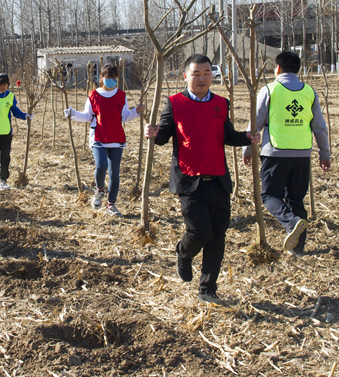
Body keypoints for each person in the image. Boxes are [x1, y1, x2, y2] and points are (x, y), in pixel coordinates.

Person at [145, 54, 260, 305]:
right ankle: (183, 252)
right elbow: (164, 135)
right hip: (189, 180)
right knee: (200, 232)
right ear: (185, 76)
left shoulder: (221, 103)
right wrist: (153, 133)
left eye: (207, 73)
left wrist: (247, 137)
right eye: (196, 74)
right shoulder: (174, 103)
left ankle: (208, 288)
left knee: (218, 237)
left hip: (218, 179)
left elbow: (227, 135)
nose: (202, 78)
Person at [243, 51, 330, 256]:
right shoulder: (309, 92)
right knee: (296, 200)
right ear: (298, 70)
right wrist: (324, 154)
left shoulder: (270, 90)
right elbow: (319, 126)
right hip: (302, 154)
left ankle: (292, 223)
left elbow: (255, 123)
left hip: (275, 152)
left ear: (278, 69)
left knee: (269, 195)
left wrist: (247, 149)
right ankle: (298, 250)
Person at [63, 64, 142, 216]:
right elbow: (87, 116)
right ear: (102, 78)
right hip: (98, 136)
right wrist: (72, 113)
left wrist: (136, 112)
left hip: (116, 138)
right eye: (108, 77)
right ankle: (99, 190)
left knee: (114, 173)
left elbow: (124, 117)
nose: (111, 80)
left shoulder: (121, 95)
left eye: (114, 78)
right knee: (101, 166)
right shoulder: (93, 95)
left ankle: (111, 204)